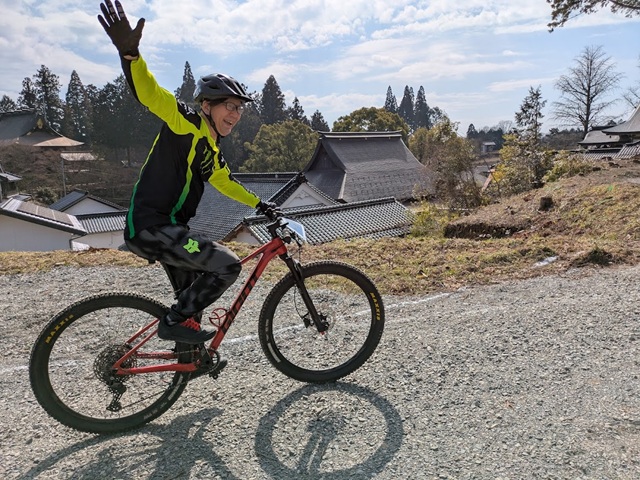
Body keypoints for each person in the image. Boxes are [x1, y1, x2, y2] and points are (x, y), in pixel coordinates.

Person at [98, 0, 278, 346]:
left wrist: (261, 205)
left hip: (172, 230)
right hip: (152, 227)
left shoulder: (212, 149)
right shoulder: (186, 122)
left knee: (193, 302)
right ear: (207, 106)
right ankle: (171, 323)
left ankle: (189, 361)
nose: (235, 114)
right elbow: (150, 94)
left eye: (239, 109)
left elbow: (225, 182)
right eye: (229, 106)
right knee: (227, 265)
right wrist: (131, 55)